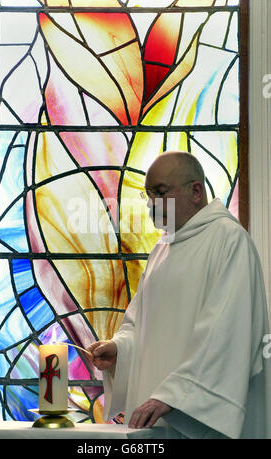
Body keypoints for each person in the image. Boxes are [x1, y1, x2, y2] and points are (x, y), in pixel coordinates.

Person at [87, 151, 271, 439]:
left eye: (160, 193)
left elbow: (227, 333)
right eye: (148, 195)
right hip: (155, 422)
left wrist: (175, 396)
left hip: (198, 420)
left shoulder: (229, 240)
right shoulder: (162, 250)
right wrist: (120, 350)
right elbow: (140, 326)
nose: (151, 204)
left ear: (195, 191)